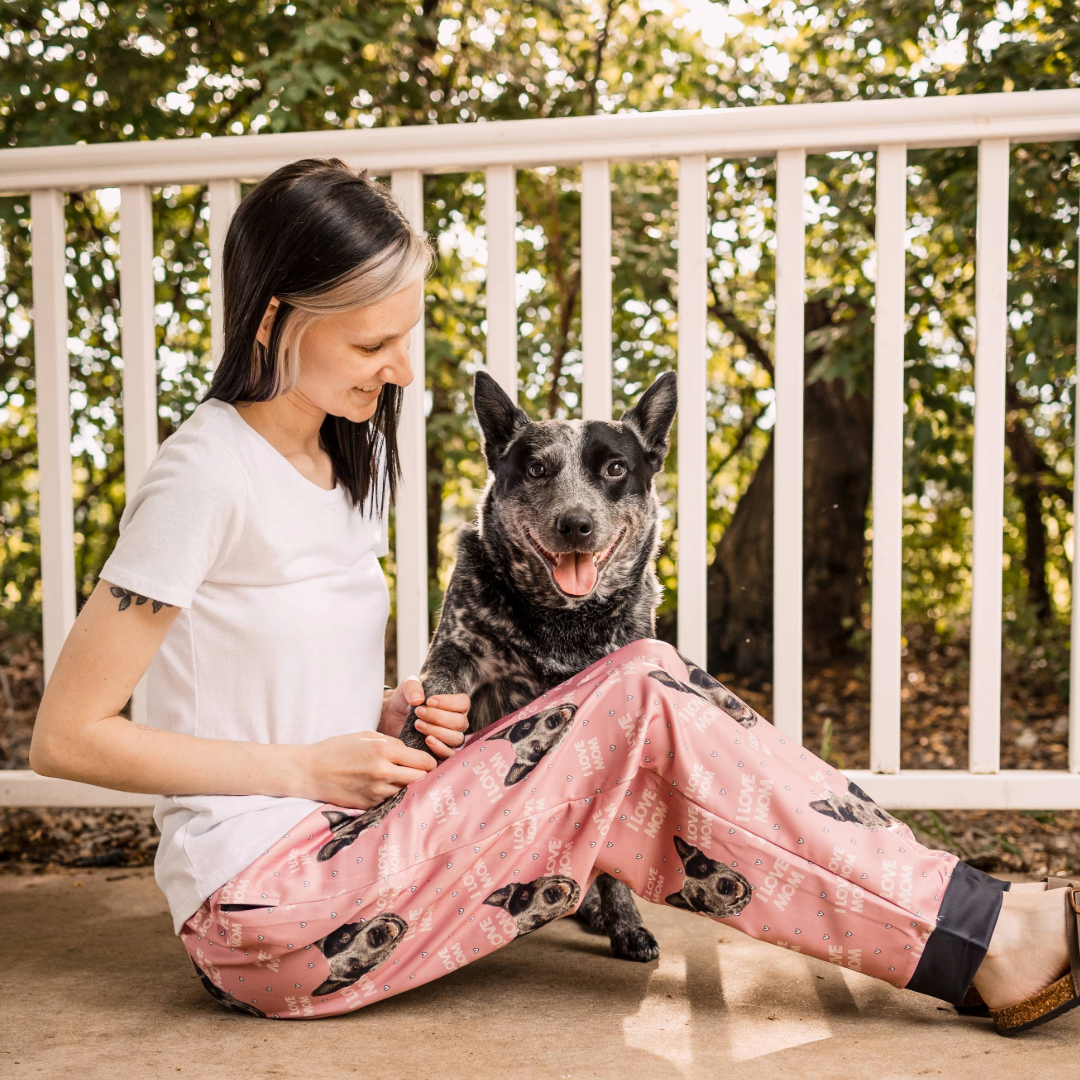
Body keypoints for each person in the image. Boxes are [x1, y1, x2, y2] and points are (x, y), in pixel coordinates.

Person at [30, 158, 1078, 1036]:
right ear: (270, 321)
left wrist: (387, 721)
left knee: (648, 693)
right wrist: (304, 765)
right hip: (267, 917)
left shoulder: (331, 468)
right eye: (368, 345)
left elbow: (263, 682)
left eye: (407, 336)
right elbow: (69, 738)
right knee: (644, 686)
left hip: (362, 849)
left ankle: (981, 929)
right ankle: (988, 934)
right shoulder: (204, 473)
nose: (399, 370)